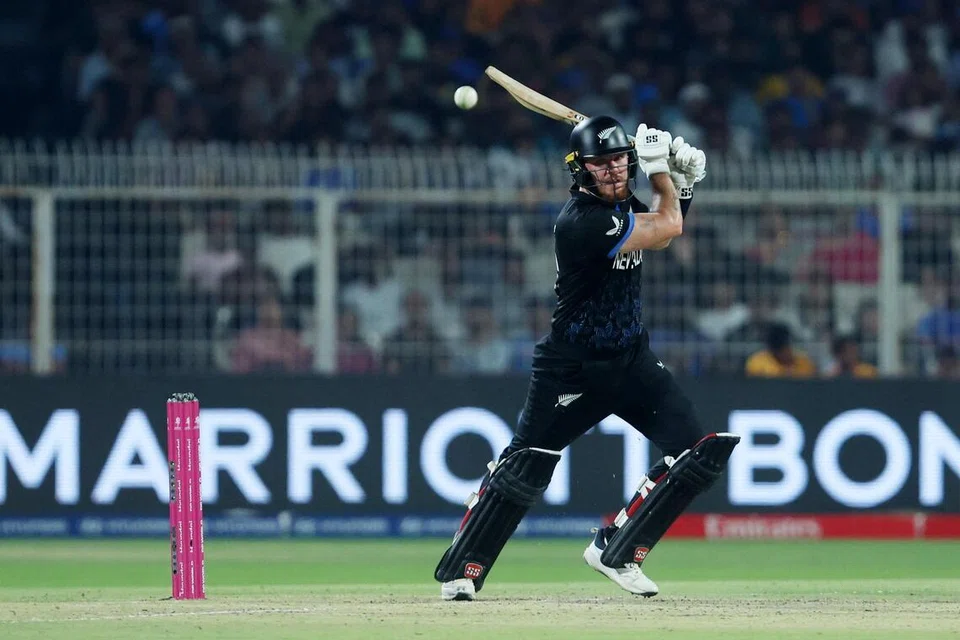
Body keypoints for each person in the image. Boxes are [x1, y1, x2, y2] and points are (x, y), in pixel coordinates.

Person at [434, 116, 740, 601]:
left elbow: (662, 234)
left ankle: (616, 551)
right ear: (580, 170)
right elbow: (668, 224)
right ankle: (462, 570)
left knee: (695, 454)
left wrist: (682, 183)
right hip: (572, 367)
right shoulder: (582, 221)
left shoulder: (622, 208)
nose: (614, 170)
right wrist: (664, 174)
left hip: (631, 361)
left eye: (620, 160)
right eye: (602, 164)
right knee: (525, 465)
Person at [744, 322, 817, 378]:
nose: (789, 352)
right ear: (773, 351)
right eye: (783, 349)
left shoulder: (804, 362)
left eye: (789, 346)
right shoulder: (758, 363)